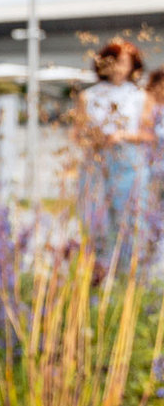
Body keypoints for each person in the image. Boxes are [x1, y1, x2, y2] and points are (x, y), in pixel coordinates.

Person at [75, 39, 150, 270]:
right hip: (97, 161)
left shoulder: (139, 96)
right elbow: (77, 134)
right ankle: (97, 271)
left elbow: (147, 134)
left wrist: (123, 135)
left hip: (128, 161)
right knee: (95, 218)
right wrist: (94, 138)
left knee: (129, 219)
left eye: (123, 62)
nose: (118, 67)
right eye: (113, 61)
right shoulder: (89, 96)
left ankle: (128, 272)